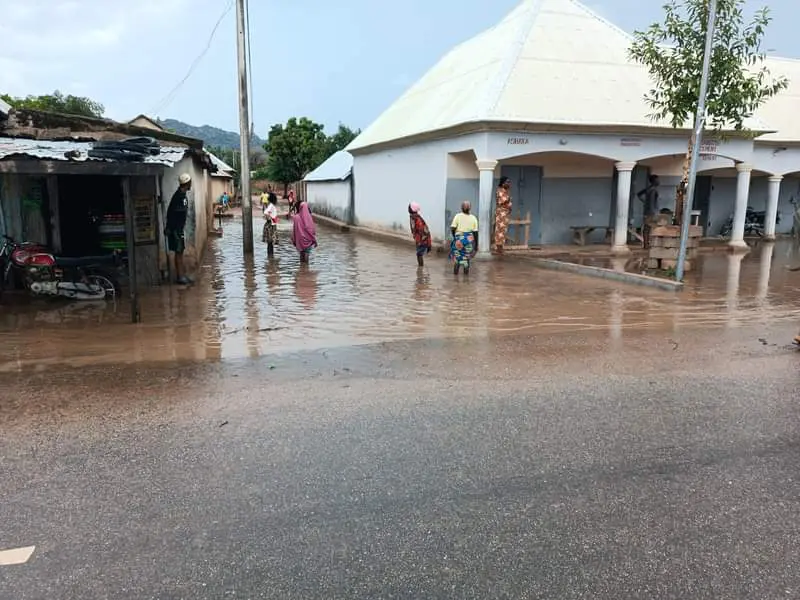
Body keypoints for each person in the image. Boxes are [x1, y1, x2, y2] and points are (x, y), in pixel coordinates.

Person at [165, 173, 192, 285]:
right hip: (175, 229)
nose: (191, 184)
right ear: (186, 183)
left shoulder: (182, 195)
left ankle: (182, 275)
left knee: (180, 251)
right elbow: (172, 214)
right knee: (178, 251)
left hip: (178, 228)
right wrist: (170, 228)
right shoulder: (179, 197)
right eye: (190, 182)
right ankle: (180, 276)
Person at [450, 201, 478, 275]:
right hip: (469, 241)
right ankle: (466, 281)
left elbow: (453, 228)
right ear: (470, 208)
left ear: (461, 208)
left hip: (458, 241)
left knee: (457, 260)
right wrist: (476, 246)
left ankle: (455, 281)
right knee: (466, 259)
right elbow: (475, 233)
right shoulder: (473, 218)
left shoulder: (457, 216)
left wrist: (455, 237)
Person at [637, 174, 660, 248]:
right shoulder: (653, 190)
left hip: (648, 211)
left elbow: (639, 194)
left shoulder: (649, 188)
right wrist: (654, 212)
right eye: (657, 180)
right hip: (651, 212)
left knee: (647, 228)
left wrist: (644, 202)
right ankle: (647, 244)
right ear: (654, 181)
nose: (659, 181)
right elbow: (651, 202)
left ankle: (646, 244)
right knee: (648, 228)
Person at [408, 202, 432, 267]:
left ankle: (420, 268)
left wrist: (420, 241)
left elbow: (421, 229)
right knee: (419, 253)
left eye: (409, 207)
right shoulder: (413, 217)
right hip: (420, 239)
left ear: (412, 210)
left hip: (422, 239)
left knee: (419, 254)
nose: (408, 209)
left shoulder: (416, 219)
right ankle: (420, 267)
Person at [493, 176, 512, 254]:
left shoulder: (505, 191)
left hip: (505, 213)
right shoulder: (500, 191)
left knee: (503, 231)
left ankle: (500, 247)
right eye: (507, 182)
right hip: (501, 213)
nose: (509, 184)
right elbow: (504, 201)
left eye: (509, 182)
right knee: (500, 230)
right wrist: (509, 199)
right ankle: (498, 248)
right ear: (503, 183)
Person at [262, 192, 279, 257]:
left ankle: (270, 257)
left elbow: (266, 213)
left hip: (270, 225)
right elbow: (266, 213)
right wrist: (270, 219)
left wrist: (269, 218)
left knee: (270, 242)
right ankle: (270, 257)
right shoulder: (272, 206)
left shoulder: (271, 206)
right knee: (270, 242)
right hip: (271, 225)